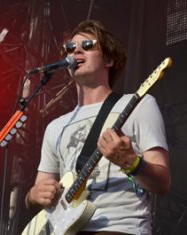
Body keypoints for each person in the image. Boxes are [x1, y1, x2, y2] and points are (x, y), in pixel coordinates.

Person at [24, 20, 171, 234]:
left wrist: (130, 162)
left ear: (109, 59)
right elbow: (38, 193)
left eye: (88, 46)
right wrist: (33, 196)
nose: (76, 52)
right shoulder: (55, 127)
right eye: (71, 48)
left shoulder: (139, 105)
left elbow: (163, 183)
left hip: (118, 226)